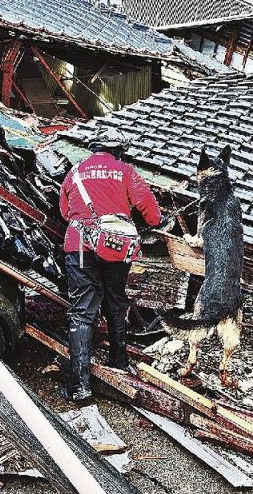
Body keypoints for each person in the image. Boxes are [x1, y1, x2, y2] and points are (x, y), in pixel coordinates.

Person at [59, 127, 161, 402]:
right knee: (116, 301)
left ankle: (80, 387)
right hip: (116, 247)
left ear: (93, 149)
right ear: (118, 150)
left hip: (80, 245)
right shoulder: (126, 172)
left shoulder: (75, 172)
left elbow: (65, 212)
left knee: (82, 312)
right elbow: (153, 216)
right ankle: (119, 362)